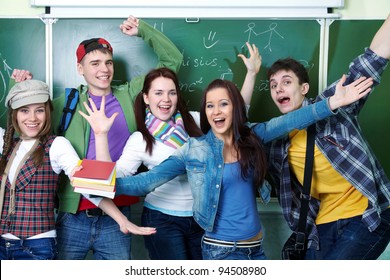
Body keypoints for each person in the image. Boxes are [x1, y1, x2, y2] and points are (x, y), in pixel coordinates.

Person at [81, 64, 372, 259]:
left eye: (224, 103)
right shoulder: (194, 149)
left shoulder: (251, 137)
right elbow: (145, 182)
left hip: (256, 249)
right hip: (220, 251)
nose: (216, 110)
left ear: (235, 108)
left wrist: (333, 102)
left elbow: (291, 120)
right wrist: (95, 181)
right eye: (209, 105)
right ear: (204, 113)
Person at [82, 43, 262, 260]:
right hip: (162, 220)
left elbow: (236, 117)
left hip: (202, 218)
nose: (166, 100)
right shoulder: (140, 140)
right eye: (158, 93)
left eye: (171, 93)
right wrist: (101, 136)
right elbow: (112, 178)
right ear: (147, 98)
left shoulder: (196, 122)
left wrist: (251, 74)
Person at [42, 15, 184, 260]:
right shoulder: (66, 104)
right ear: (80, 68)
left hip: (118, 213)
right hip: (73, 213)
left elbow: (173, 61)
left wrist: (144, 31)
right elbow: (27, 126)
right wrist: (16, 84)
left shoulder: (129, 95)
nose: (104, 69)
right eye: (95, 63)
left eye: (108, 62)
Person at [265, 14, 390, 259]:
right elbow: (237, 131)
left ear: (304, 89)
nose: (278, 88)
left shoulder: (333, 103)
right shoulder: (276, 141)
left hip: (365, 215)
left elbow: (375, 57)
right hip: (319, 225)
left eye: (286, 81)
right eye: (272, 85)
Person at [0, 78, 155, 260]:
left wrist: (122, 220)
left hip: (36, 246)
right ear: (15, 114)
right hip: (4, 244)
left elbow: (87, 187)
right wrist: (13, 86)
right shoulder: (6, 142)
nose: (32, 118)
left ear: (48, 113)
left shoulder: (57, 145)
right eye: (24, 110)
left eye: (39, 110)